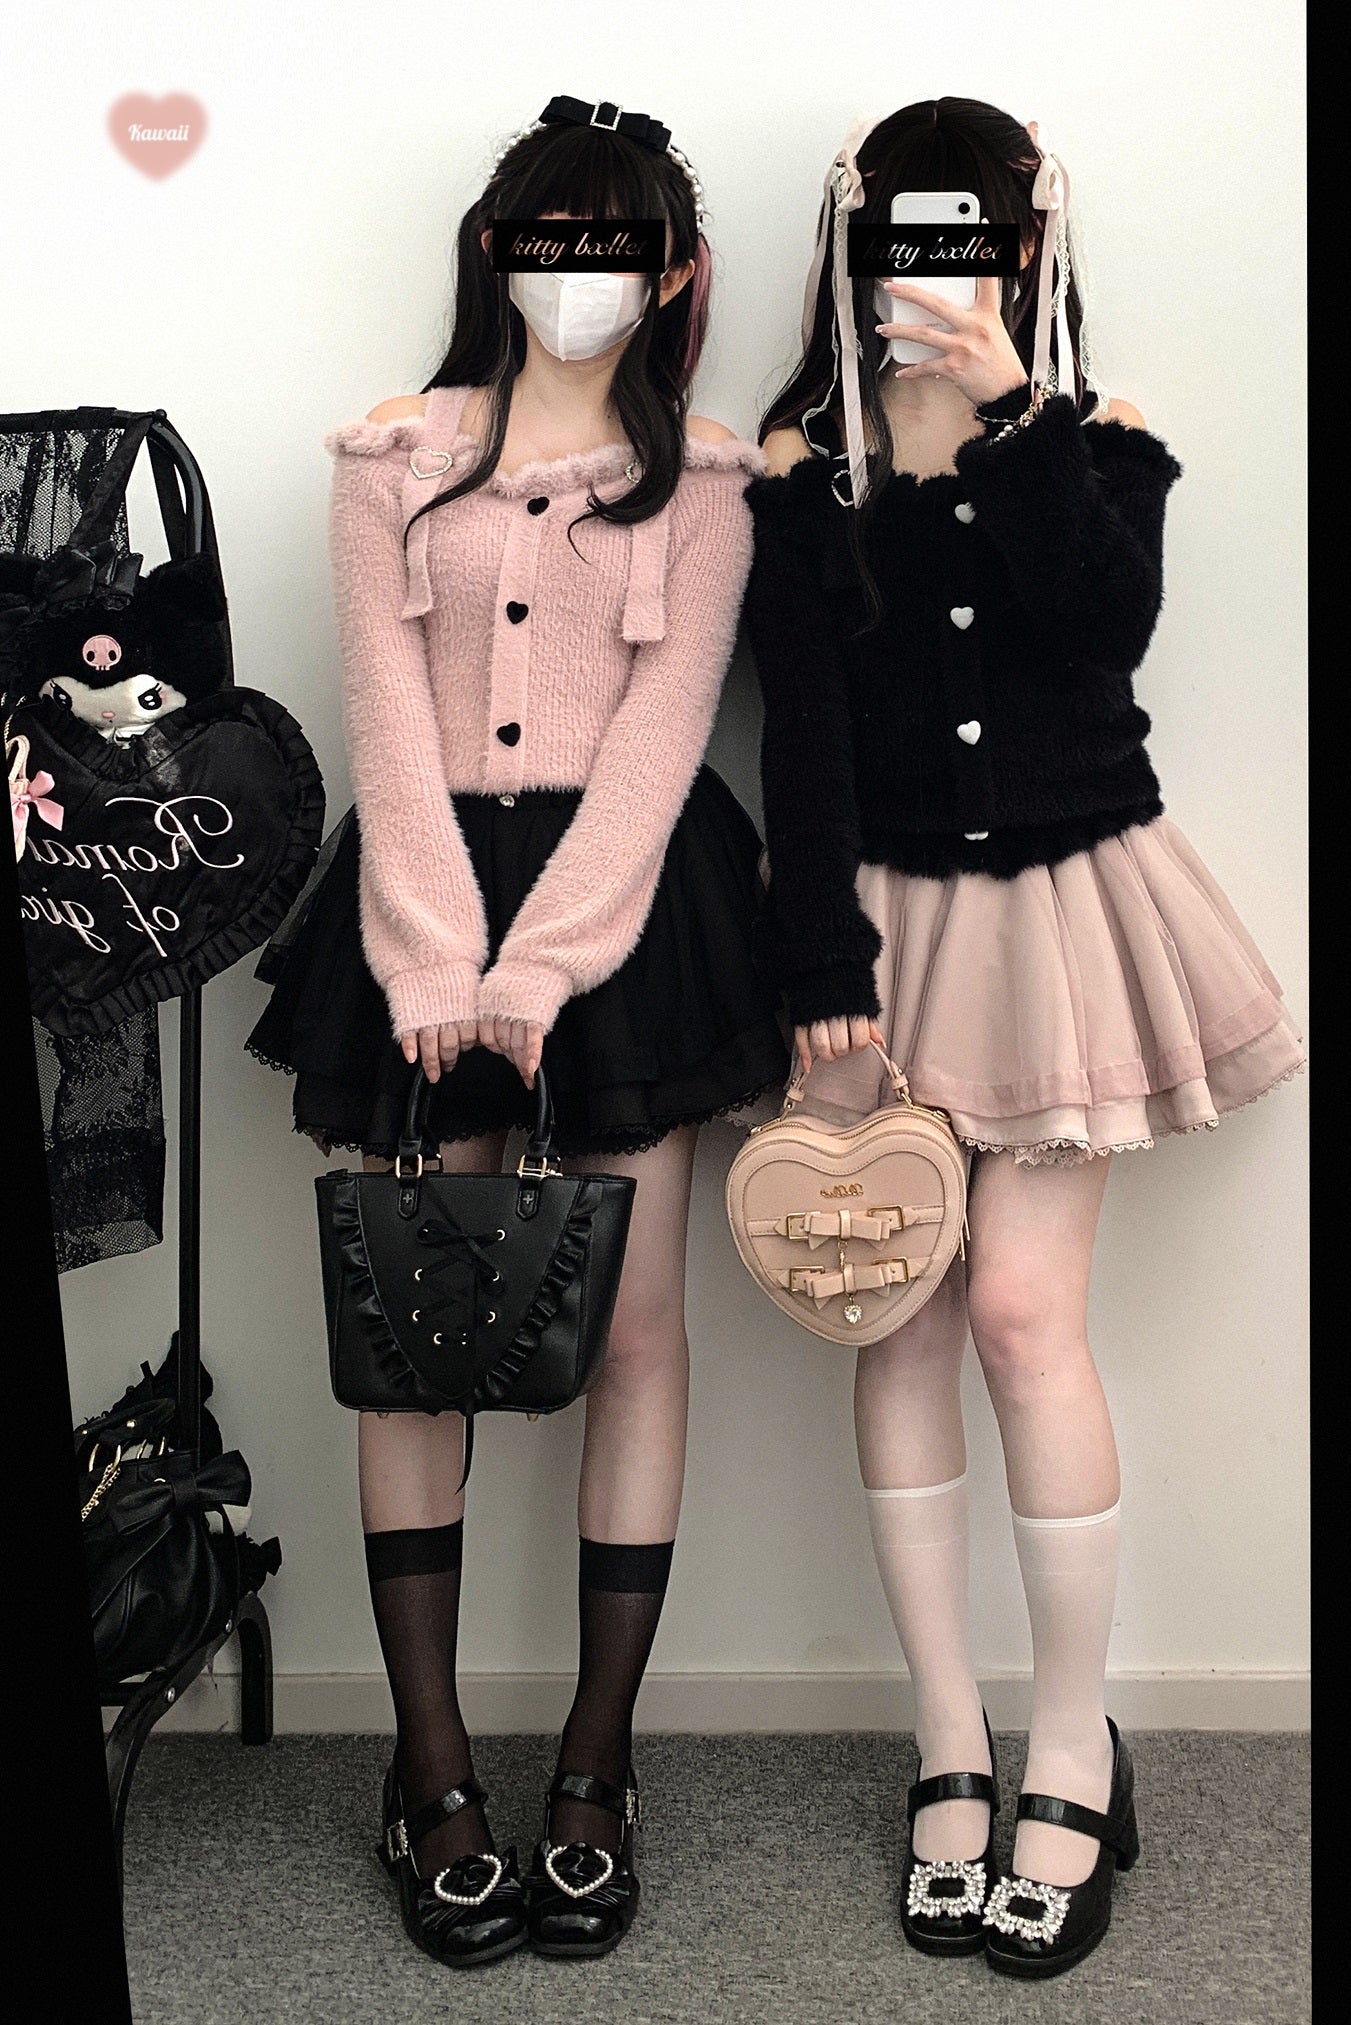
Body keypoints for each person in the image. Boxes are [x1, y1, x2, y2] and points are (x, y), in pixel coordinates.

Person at [743, 96, 1304, 1979]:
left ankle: (1075, 1741)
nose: (940, 266)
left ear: (1027, 245)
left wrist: (1011, 414)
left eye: (971, 235)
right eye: (908, 236)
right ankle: (948, 1742)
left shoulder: (1097, 436)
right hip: (878, 932)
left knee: (1018, 1316)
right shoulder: (803, 466)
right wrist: (817, 951)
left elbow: (1107, 630)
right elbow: (802, 726)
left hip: (1068, 919)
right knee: (892, 1305)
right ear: (857, 247)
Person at [248, 95, 787, 1967]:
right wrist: (429, 955)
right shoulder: (389, 455)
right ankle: (430, 1768)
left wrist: (546, 966)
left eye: (615, 245)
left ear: (675, 273)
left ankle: (596, 1764)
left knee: (631, 1330)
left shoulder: (705, 481)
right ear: (497, 252)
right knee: (417, 1328)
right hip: (420, 896)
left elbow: (664, 734)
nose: (580, 275)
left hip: (630, 914)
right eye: (551, 240)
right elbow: (383, 707)